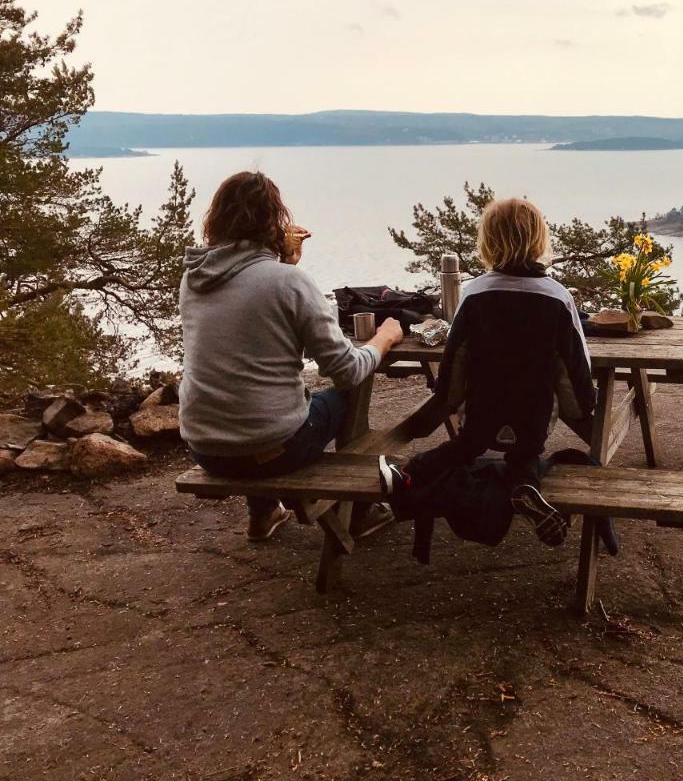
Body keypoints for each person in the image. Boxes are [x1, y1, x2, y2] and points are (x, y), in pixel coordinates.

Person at [178, 171, 405, 541]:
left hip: (204, 447)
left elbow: (253, 310)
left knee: (262, 406)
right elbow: (346, 370)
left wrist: (283, 263)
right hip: (272, 450)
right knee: (347, 397)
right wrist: (383, 339)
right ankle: (358, 513)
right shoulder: (287, 282)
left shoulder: (195, 279)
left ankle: (265, 512)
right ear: (273, 220)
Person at [378, 197, 596, 546]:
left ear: (488, 242)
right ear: (539, 241)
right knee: (526, 453)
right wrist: (581, 409)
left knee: (464, 447)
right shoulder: (557, 297)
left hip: (482, 409)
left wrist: (447, 400)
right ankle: (525, 487)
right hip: (533, 411)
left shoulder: (475, 293)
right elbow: (573, 368)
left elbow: (456, 359)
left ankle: (406, 474)